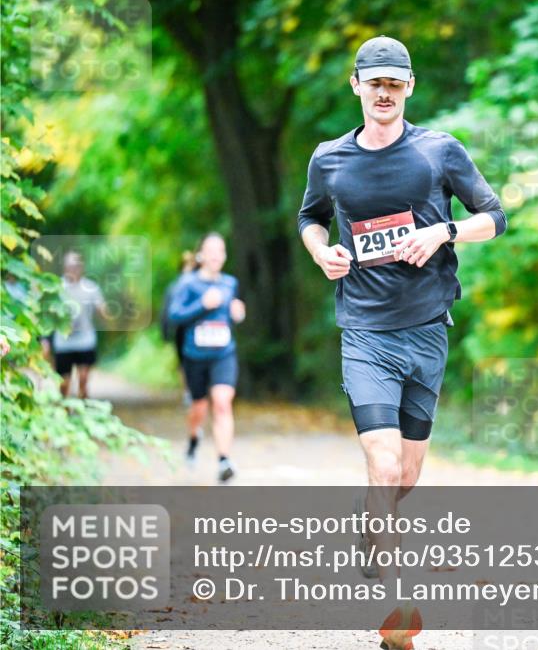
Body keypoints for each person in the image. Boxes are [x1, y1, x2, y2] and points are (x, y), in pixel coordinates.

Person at [297, 35, 507, 649]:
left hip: (427, 331)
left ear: (409, 87)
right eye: (374, 82)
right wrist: (321, 253)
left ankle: (373, 519)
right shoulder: (329, 159)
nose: (384, 92)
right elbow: (310, 217)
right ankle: (396, 612)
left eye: (395, 82)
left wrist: (445, 232)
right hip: (364, 332)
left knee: (406, 473)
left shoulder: (438, 151)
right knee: (384, 462)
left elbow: (495, 216)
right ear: (356, 86)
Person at [168, 233, 245, 483]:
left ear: (224, 256)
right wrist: (202, 304)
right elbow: (174, 315)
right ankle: (193, 438)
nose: (215, 255)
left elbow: (231, 315)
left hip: (224, 353)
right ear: (200, 255)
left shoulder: (230, 283)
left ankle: (224, 460)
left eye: (220, 250)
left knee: (222, 401)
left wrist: (237, 313)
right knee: (199, 407)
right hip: (195, 355)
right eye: (210, 250)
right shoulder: (187, 284)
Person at [50, 251, 110, 399]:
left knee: (83, 379)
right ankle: (65, 412)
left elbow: (102, 308)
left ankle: (83, 409)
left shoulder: (91, 287)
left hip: (85, 339)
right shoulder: (57, 287)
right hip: (63, 341)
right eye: (70, 266)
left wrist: (107, 315)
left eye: (76, 266)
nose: (73, 269)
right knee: (64, 384)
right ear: (65, 268)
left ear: (81, 267)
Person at [161, 251, 200, 459]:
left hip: (194, 330)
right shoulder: (174, 287)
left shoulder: (198, 283)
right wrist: (165, 330)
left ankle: (193, 390)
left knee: (190, 360)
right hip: (179, 329)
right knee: (182, 362)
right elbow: (167, 310)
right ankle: (187, 390)